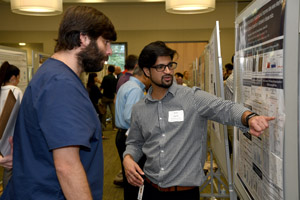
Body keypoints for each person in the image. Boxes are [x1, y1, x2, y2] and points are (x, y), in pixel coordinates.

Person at [122, 41, 274, 200]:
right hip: (150, 191)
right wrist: (128, 157)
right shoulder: (139, 109)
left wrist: (249, 118)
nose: (167, 71)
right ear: (146, 71)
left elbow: (225, 108)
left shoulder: (192, 97)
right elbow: (135, 142)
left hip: (185, 193)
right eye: (160, 67)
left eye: (170, 65)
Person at [1, 5, 116, 200]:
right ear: (83, 38)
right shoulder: (61, 83)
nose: (109, 51)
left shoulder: (52, 74)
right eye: (105, 42)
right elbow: (67, 166)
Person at [115, 66, 151, 200]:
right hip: (130, 137)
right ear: (145, 75)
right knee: (135, 178)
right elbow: (130, 116)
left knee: (129, 176)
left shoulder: (127, 85)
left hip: (122, 134)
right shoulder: (136, 90)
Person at [0, 61, 23, 189]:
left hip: (1, 140)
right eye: (18, 79)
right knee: (10, 171)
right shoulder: (15, 91)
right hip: (10, 140)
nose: (18, 82)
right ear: (13, 78)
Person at [87, 73, 106, 138]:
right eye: (96, 77)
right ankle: (101, 134)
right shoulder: (94, 86)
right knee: (98, 120)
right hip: (95, 105)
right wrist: (101, 83)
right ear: (93, 78)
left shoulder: (88, 85)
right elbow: (100, 95)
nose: (97, 78)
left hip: (90, 105)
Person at [100, 65, 117, 130]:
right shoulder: (114, 78)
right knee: (113, 113)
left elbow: (102, 86)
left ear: (108, 70)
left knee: (104, 112)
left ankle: (103, 126)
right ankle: (114, 126)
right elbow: (115, 89)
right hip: (112, 97)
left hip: (105, 97)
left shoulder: (105, 77)